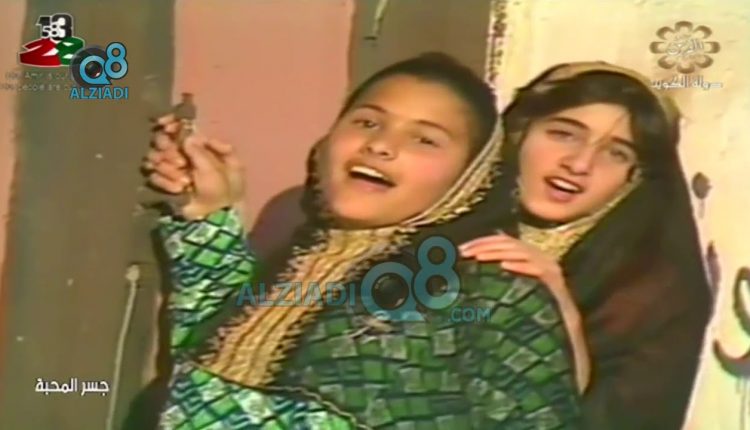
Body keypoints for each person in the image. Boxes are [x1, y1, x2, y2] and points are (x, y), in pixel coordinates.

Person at [142, 53, 583, 429]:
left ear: (472, 177)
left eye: (425, 139)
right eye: (367, 121)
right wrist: (209, 212)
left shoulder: (491, 293)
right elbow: (201, 368)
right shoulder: (299, 265)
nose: (381, 145)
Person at [458, 62, 712, 430]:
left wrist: (559, 310)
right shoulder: (442, 226)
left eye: (617, 153)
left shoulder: (653, 293)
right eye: (564, 134)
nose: (579, 164)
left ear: (634, 179)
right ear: (518, 132)